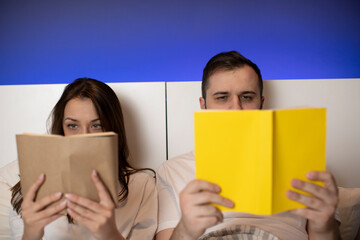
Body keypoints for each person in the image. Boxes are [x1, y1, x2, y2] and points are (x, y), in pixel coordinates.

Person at [156, 51, 340, 240]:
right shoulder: (172, 170)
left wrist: (325, 228)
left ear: (261, 103)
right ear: (203, 106)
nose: (236, 108)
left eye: (246, 97)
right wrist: (186, 229)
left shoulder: (306, 166)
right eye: (222, 97)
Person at [10, 78, 157, 239]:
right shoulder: (31, 186)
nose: (84, 137)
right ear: (61, 129)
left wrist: (109, 233)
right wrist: (31, 233)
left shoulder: (142, 186)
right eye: (73, 126)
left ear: (113, 127)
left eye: (96, 125)